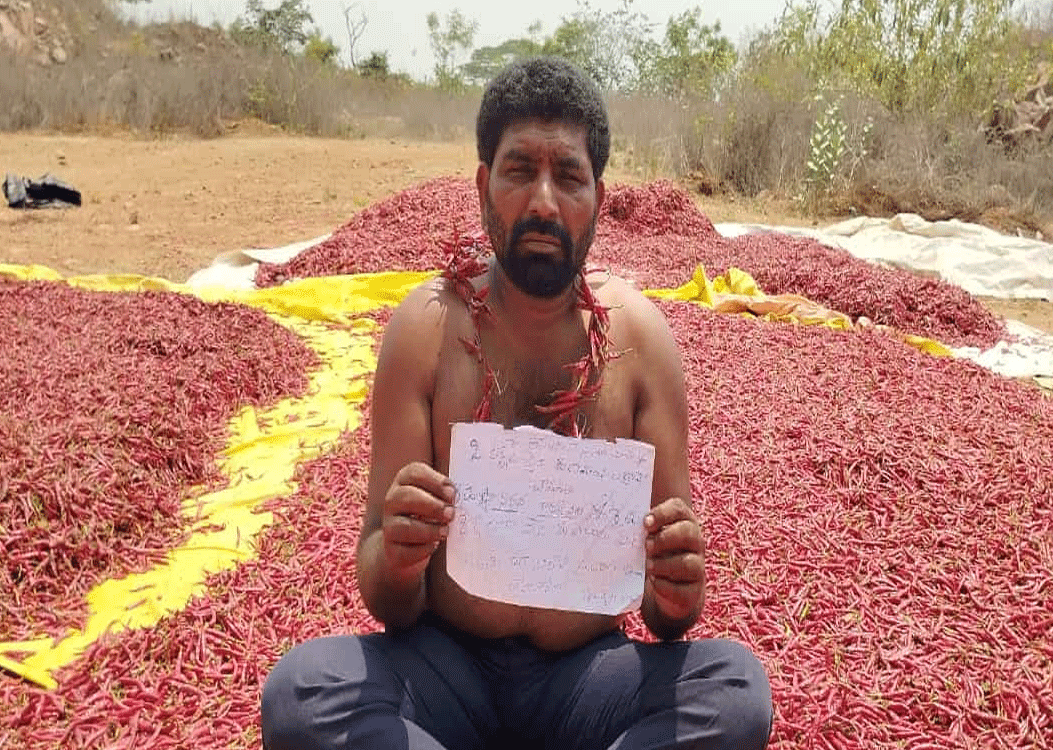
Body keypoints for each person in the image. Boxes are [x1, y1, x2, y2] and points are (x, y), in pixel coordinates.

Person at [260, 55, 773, 750]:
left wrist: (678, 589)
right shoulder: (427, 330)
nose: (542, 202)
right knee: (302, 691)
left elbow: (668, 617)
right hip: (445, 670)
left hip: (588, 679)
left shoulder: (641, 344)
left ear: (598, 195)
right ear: (482, 185)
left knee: (735, 690)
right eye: (518, 170)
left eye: (568, 175)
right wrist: (402, 556)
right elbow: (385, 595)